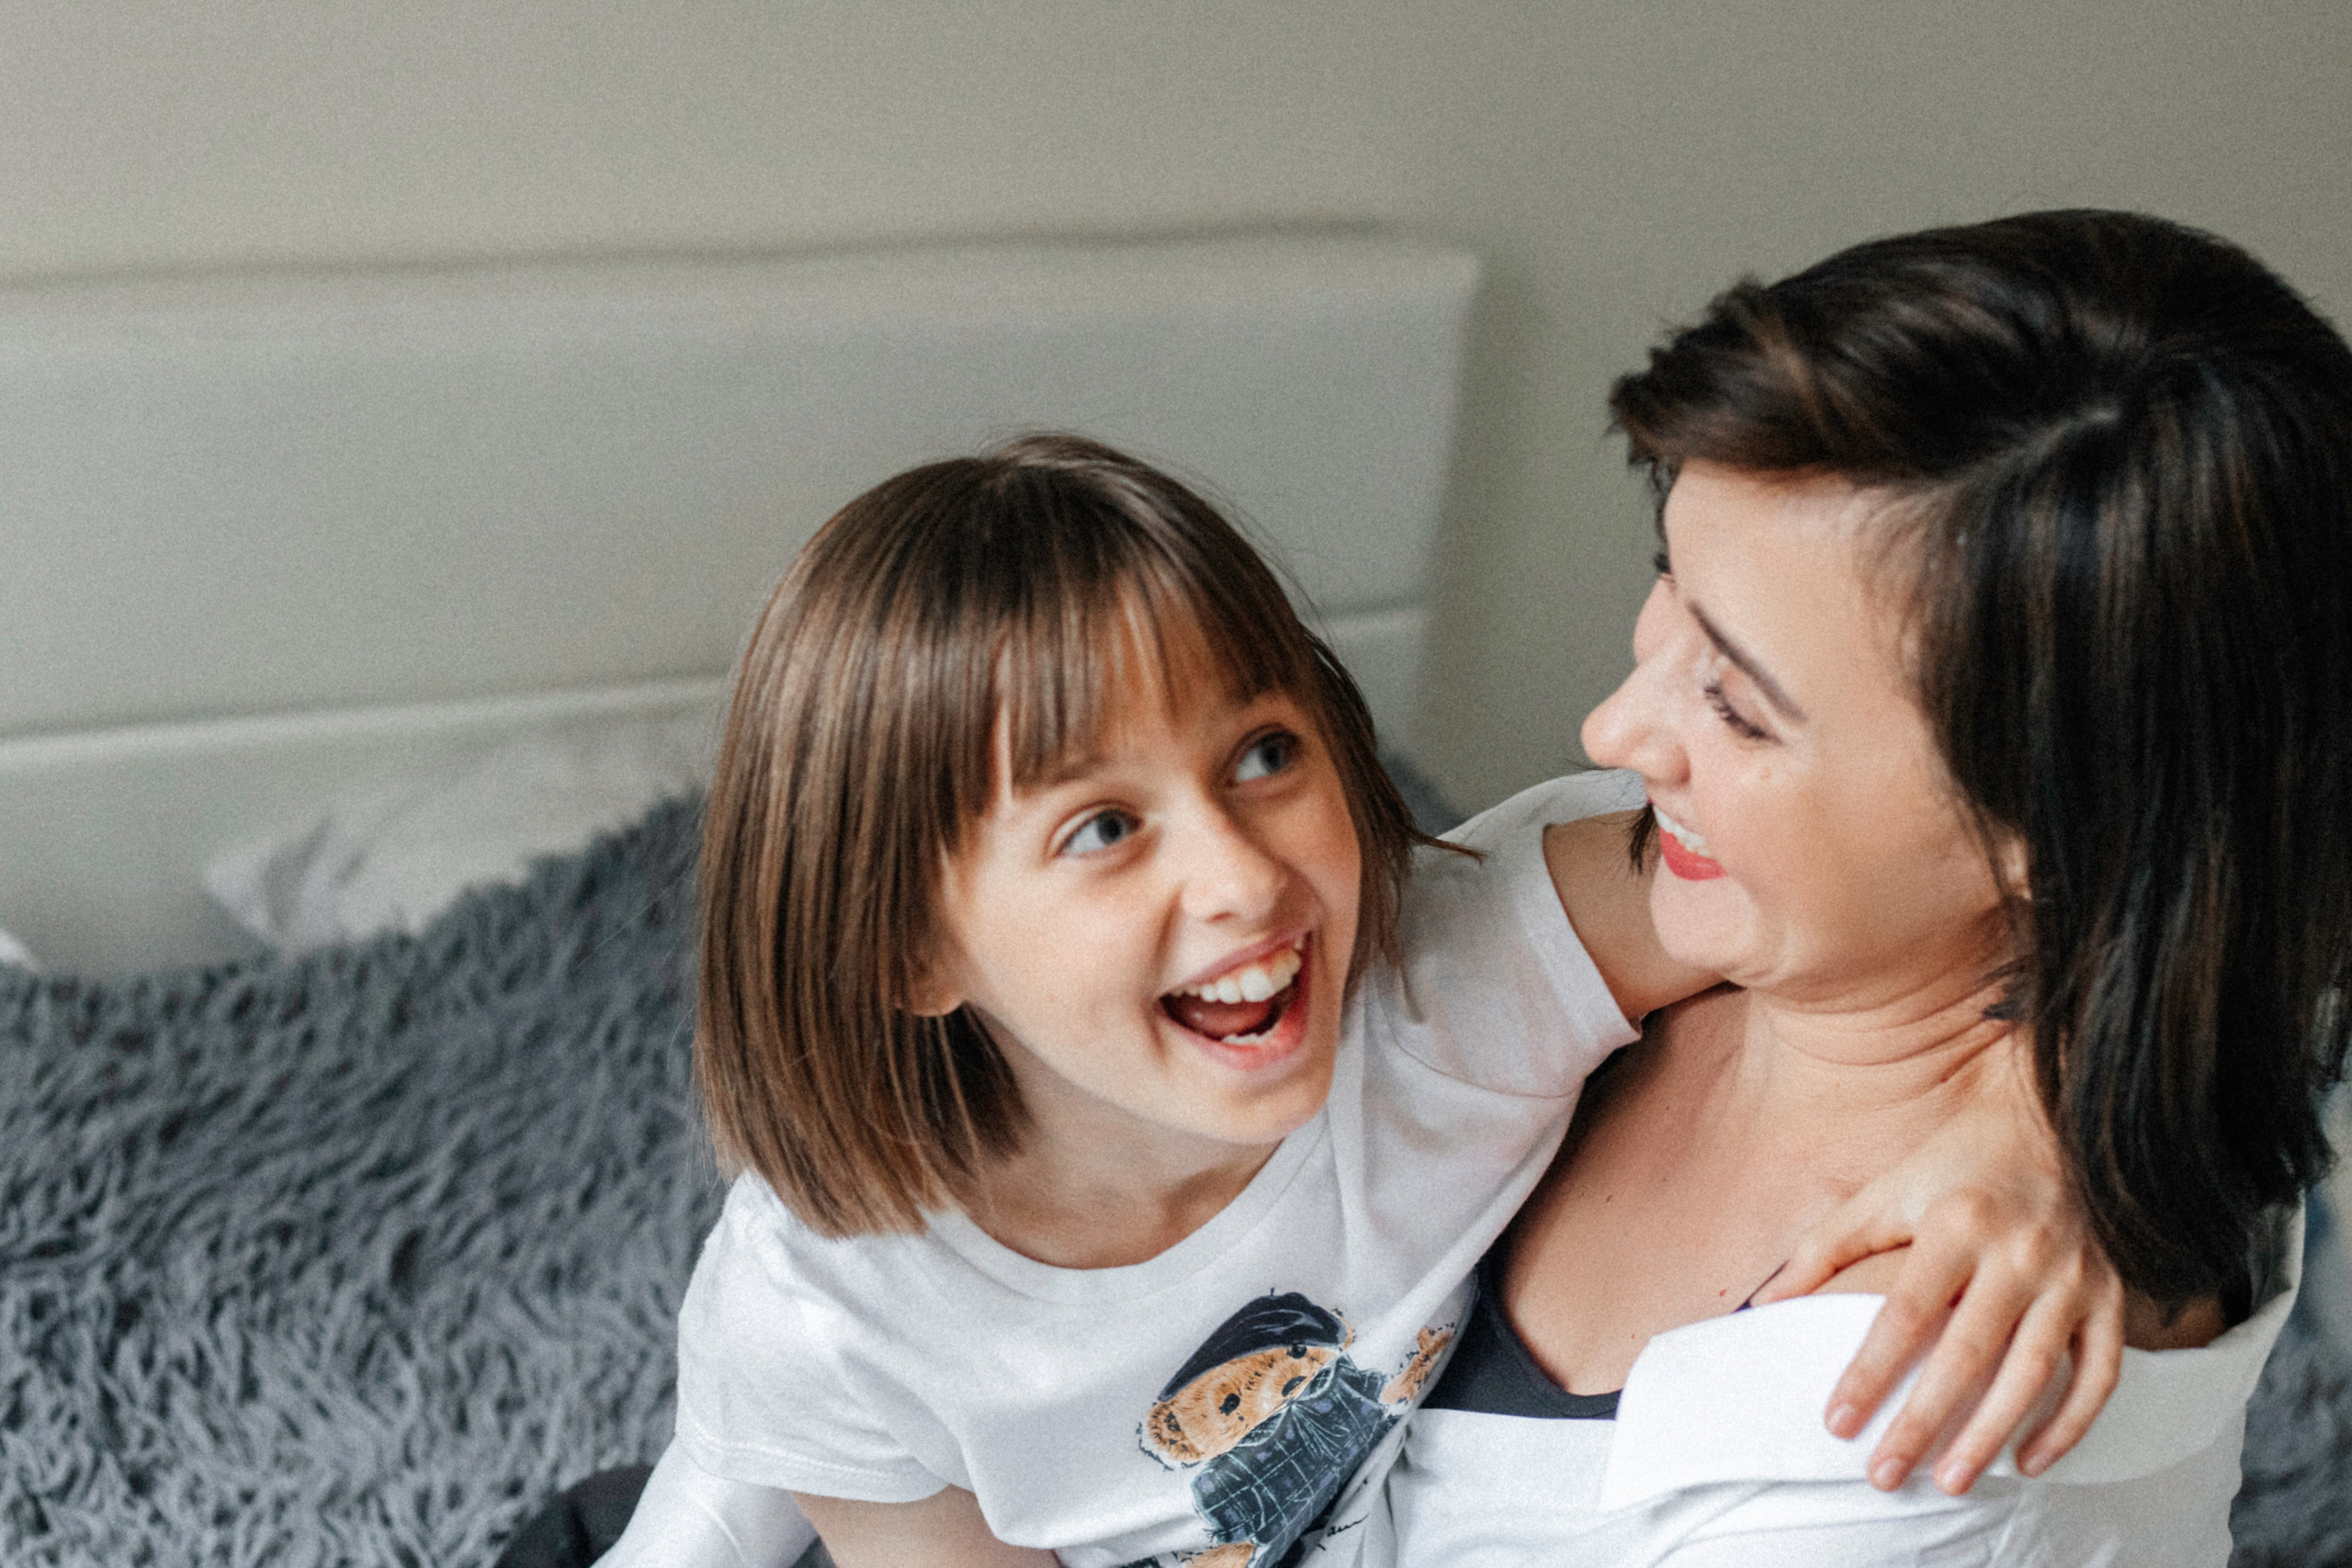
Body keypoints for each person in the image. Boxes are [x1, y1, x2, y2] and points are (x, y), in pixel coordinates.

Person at [507, 434, 2120, 1568]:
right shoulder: (836, 1312)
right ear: (911, 953)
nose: (1243, 878)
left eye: (1263, 756)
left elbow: (1939, 890)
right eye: (1103, 828)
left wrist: (2022, 1124)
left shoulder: (1458, 985)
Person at [1376, 209, 2351, 1565]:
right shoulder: (1694, 901)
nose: (1617, 731)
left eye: (1740, 704)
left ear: (2053, 831)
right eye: (1673, 581)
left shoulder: (1904, 1461)